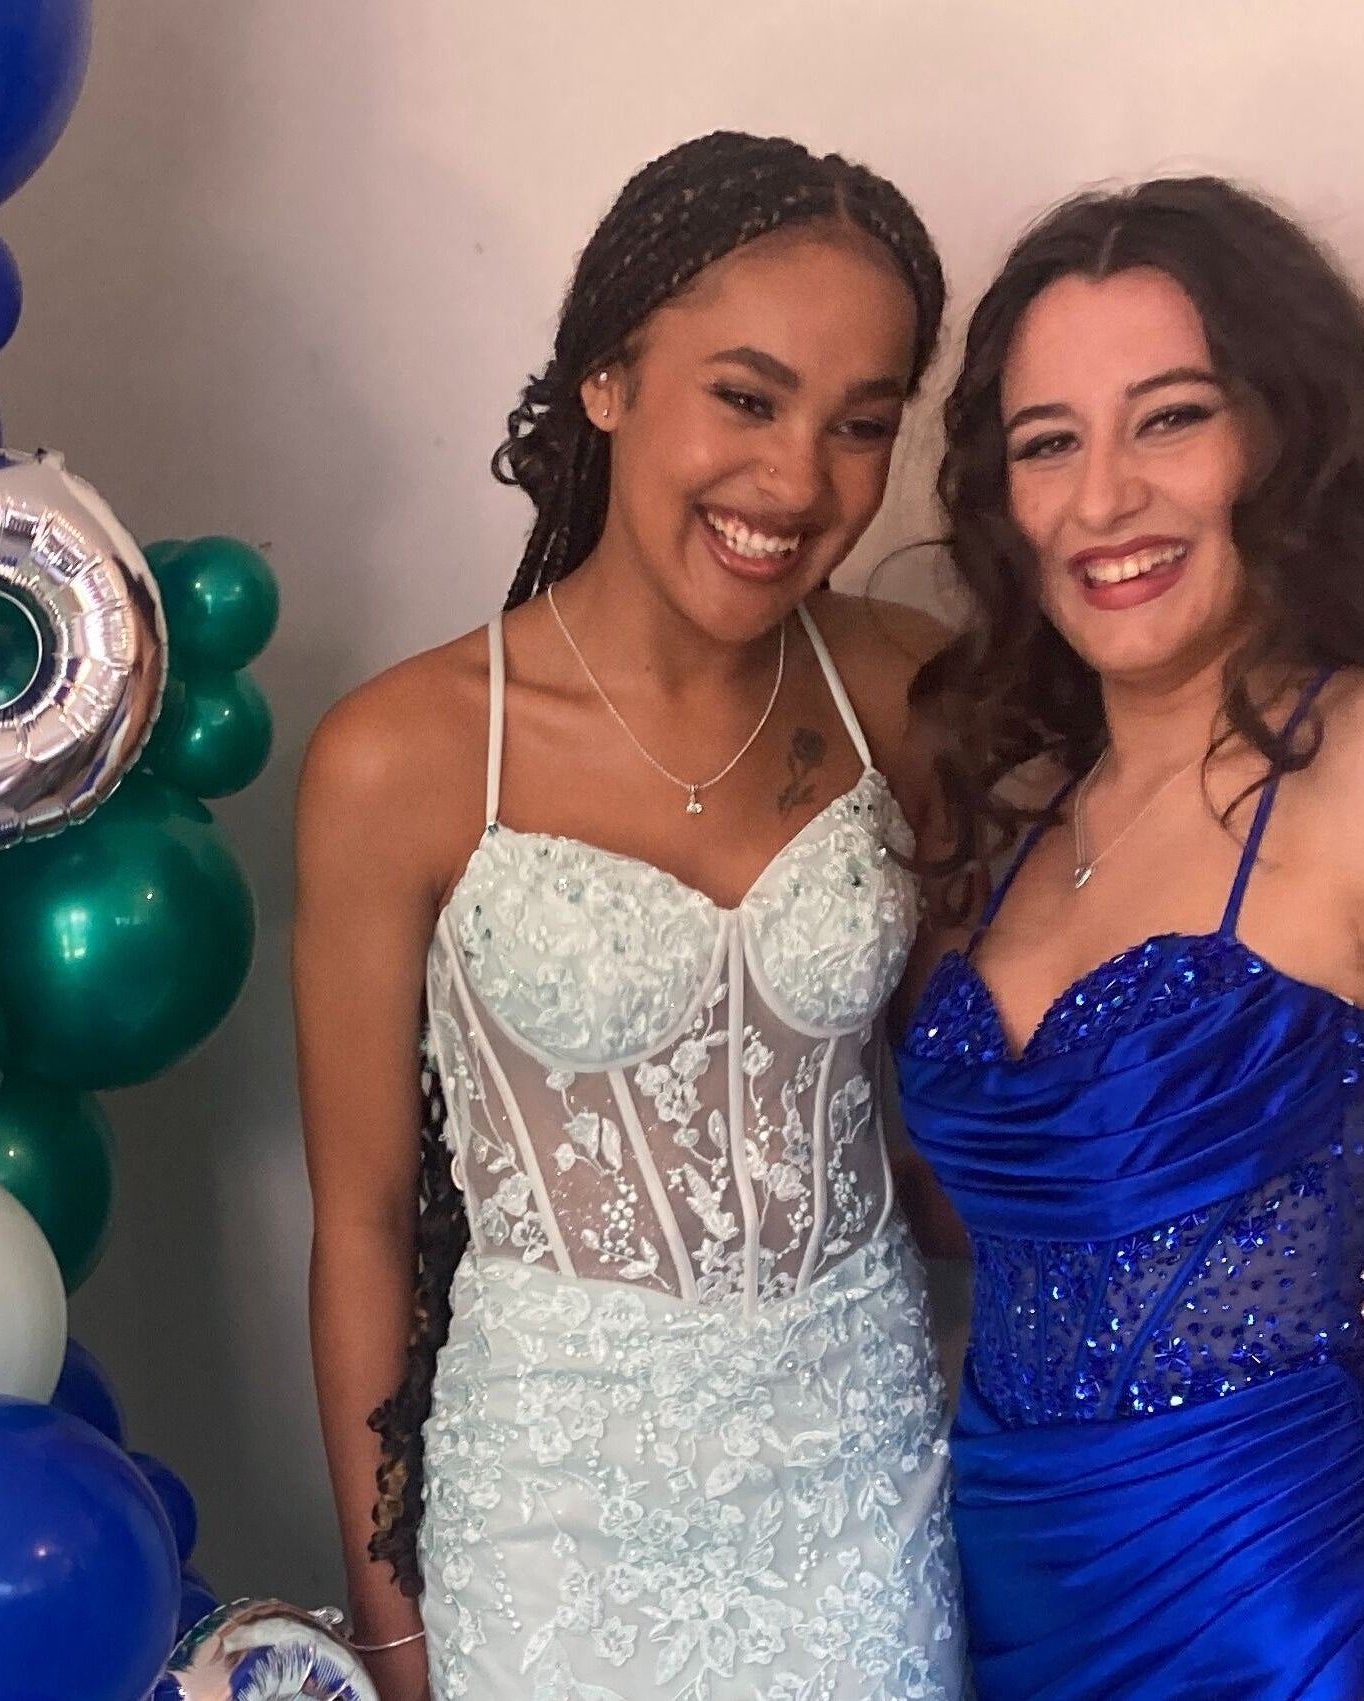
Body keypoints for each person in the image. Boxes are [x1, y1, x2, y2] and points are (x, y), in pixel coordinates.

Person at [293, 130, 963, 1701]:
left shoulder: (904, 689)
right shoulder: (402, 754)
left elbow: (964, 1095)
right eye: (745, 397)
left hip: (857, 1471)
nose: (796, 482)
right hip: (549, 1502)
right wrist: (389, 1623)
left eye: (860, 425)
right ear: (605, 380)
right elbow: (361, 1223)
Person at [897, 176, 1364, 1698]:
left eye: (1169, 419)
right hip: (1009, 1595)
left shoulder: (1356, 770)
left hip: (1278, 1611)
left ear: (1280, 436)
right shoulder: (1020, 815)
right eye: (1049, 443)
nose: (1103, 500)